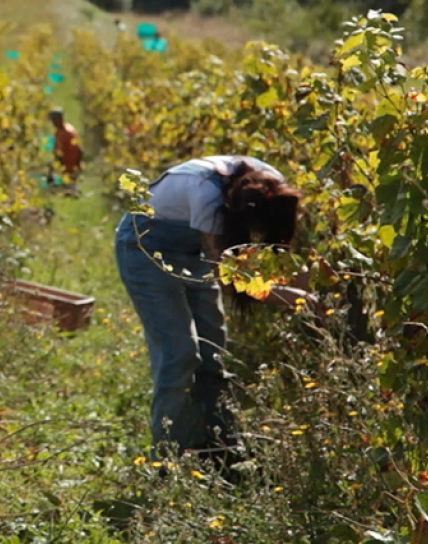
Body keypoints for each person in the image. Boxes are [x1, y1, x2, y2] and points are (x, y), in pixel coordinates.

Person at [115, 155, 315, 459]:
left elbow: (278, 254)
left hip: (195, 250)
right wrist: (295, 298)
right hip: (147, 249)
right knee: (179, 355)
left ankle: (216, 448)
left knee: (212, 354)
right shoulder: (206, 195)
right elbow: (229, 276)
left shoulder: (275, 188)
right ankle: (165, 459)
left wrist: (312, 285)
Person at [47, 108, 83, 182]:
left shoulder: (68, 132)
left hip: (69, 168)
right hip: (65, 167)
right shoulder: (59, 131)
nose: (53, 123)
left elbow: (78, 150)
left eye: (54, 120)